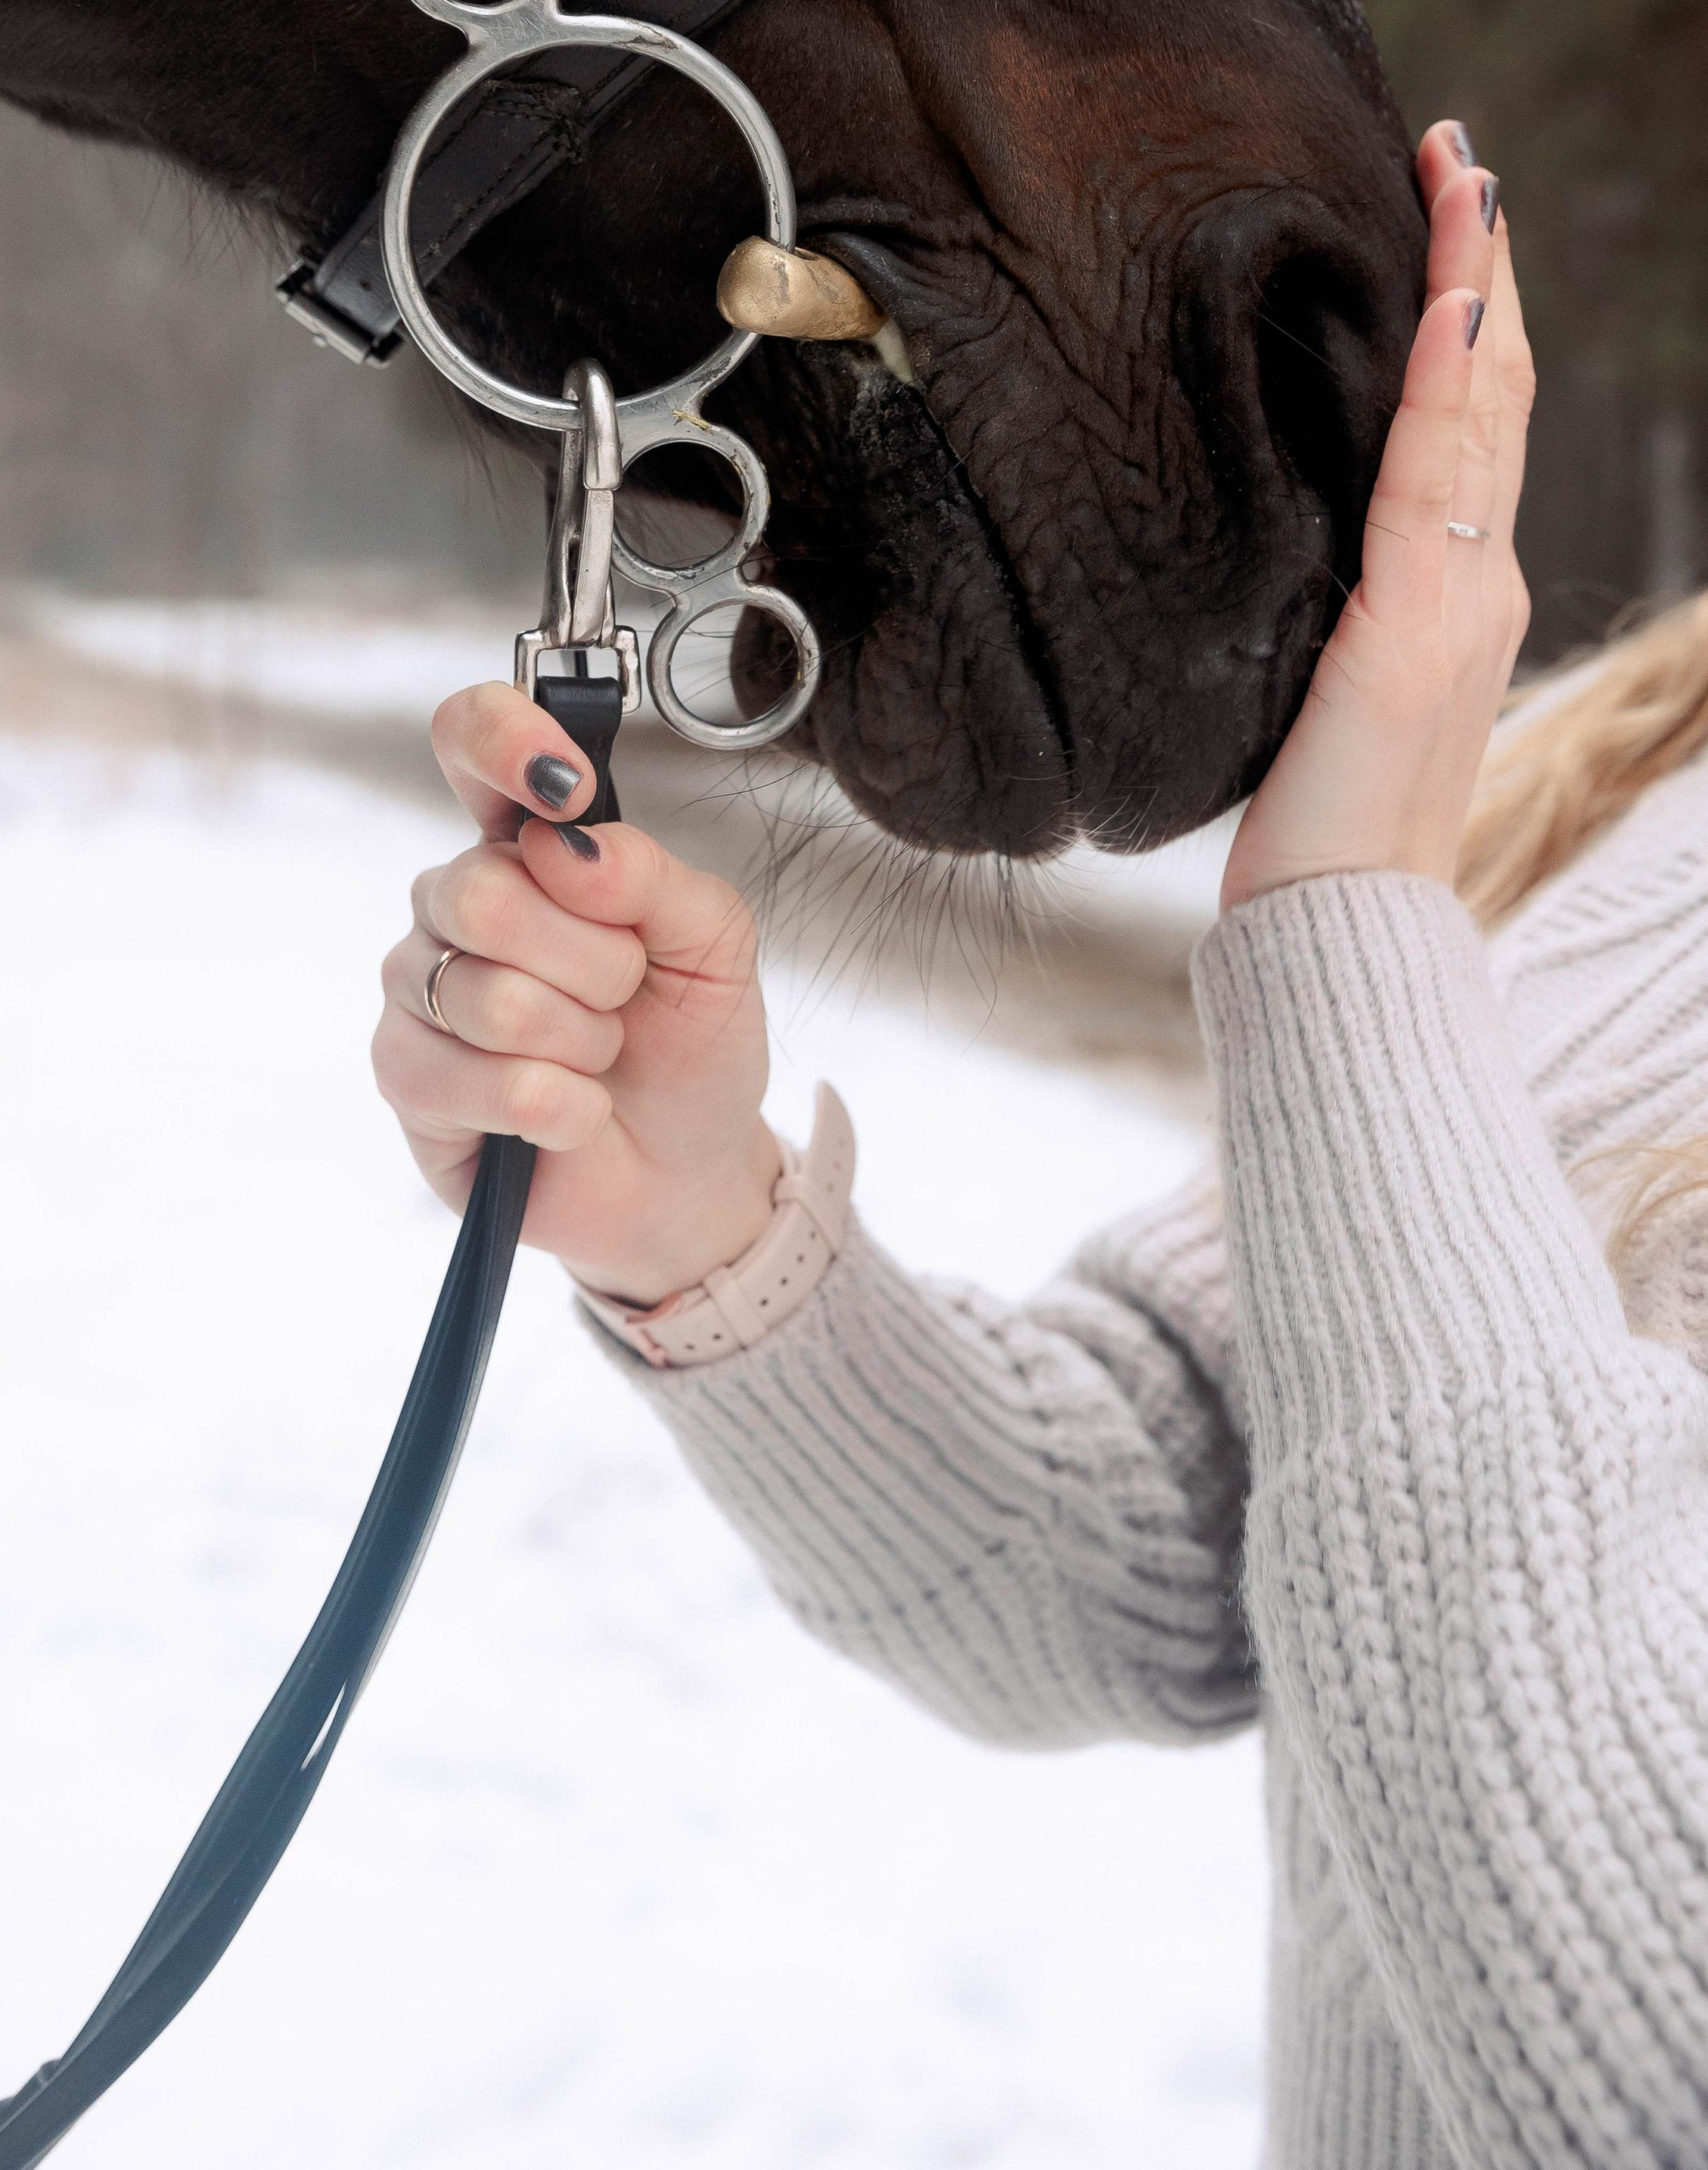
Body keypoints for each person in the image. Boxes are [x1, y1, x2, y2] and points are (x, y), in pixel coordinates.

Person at [371, 123, 1708, 2169]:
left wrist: (1350, 919)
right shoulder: (1657, 780)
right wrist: (709, 1229)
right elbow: (1181, 1530)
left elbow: (1635, 2064)